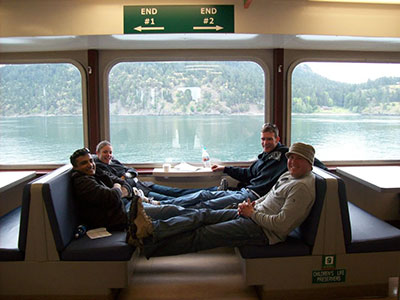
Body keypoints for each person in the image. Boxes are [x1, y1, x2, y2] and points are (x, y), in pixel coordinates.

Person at [128, 142, 317, 259]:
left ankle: (147, 245)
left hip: (262, 231)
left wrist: (253, 213)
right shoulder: (289, 176)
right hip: (252, 213)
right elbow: (268, 197)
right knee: (203, 213)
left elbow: (282, 226)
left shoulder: (302, 187)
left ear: (309, 162)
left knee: (203, 234)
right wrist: (251, 206)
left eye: (297, 159)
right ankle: (153, 227)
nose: (291, 162)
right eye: (290, 158)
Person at [153, 123, 290, 209]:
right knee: (203, 194)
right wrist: (224, 169)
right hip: (244, 191)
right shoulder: (264, 157)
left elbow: (309, 159)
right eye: (263, 139)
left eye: (269, 139)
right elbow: (248, 174)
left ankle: (160, 207)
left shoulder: (285, 156)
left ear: (277, 139)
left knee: (206, 205)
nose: (265, 143)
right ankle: (158, 202)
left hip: (253, 197)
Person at [94, 140, 217, 201]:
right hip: (140, 193)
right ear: (97, 153)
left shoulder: (114, 162)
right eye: (105, 152)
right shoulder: (99, 168)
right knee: (169, 199)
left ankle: (214, 191)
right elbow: (121, 180)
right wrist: (126, 178)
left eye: (110, 152)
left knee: (177, 191)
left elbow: (131, 171)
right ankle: (205, 199)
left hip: (144, 185)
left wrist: (126, 177)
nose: (108, 155)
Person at [70, 148, 133, 231]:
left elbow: (125, 183)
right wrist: (117, 187)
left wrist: (118, 193)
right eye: (84, 163)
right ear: (76, 168)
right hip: (112, 222)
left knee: (155, 212)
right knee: (155, 218)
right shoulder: (82, 182)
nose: (90, 165)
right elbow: (112, 196)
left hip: (122, 210)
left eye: (91, 161)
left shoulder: (97, 172)